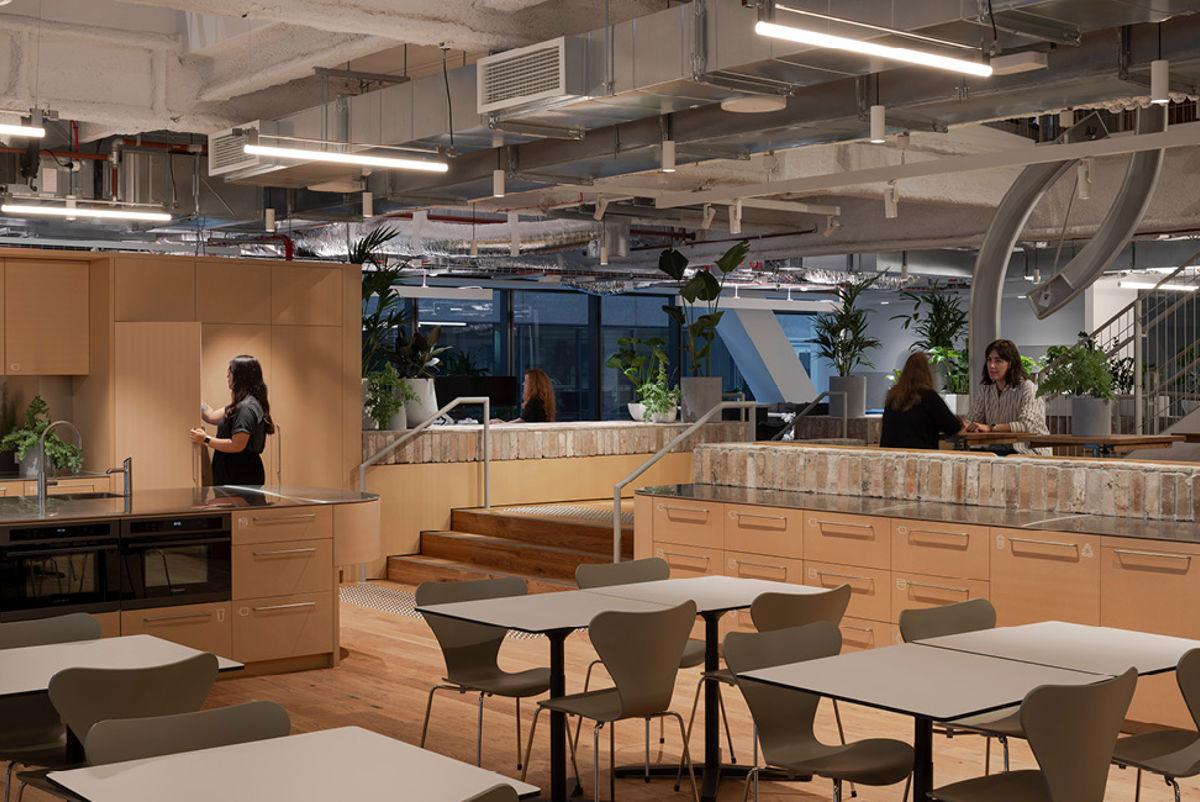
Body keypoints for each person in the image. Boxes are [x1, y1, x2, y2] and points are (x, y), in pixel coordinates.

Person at [189, 355, 275, 485]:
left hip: (240, 474)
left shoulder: (246, 408)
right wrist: (192, 394)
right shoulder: (241, 405)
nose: (227, 377)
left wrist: (206, 439)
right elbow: (211, 415)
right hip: (234, 472)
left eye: (230, 373)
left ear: (239, 377)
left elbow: (237, 445)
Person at [962, 338, 1050, 455]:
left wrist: (991, 428)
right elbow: (972, 420)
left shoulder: (1027, 388)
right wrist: (964, 424)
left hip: (1029, 451)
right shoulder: (986, 389)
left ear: (1010, 364)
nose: (992, 366)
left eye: (998, 361)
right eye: (989, 360)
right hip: (998, 450)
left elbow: (1027, 425)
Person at [879, 352, 963, 450]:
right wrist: (961, 422)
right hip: (920, 459)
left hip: (890, 458)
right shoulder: (928, 396)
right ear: (928, 373)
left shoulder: (892, 397)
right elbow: (952, 427)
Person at [491, 368, 557, 423]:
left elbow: (523, 420)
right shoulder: (542, 400)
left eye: (526, 381)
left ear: (533, 384)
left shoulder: (535, 401)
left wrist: (504, 424)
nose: (523, 384)